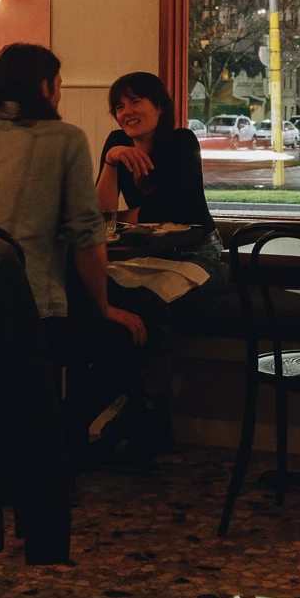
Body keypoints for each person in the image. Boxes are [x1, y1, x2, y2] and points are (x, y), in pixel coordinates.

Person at [0, 43, 150, 462]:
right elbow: (87, 233)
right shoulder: (65, 138)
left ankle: (22, 442)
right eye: (58, 84)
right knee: (123, 338)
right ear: (44, 86)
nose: (60, 93)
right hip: (28, 308)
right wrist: (104, 306)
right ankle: (58, 438)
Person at [95, 73, 226, 454]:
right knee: (102, 293)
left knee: (150, 304)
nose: (126, 112)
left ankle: (154, 413)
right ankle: (134, 404)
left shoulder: (182, 141)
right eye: (119, 106)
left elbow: (174, 210)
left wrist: (125, 216)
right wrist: (110, 161)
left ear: (159, 107)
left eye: (135, 101)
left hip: (199, 255)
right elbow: (101, 214)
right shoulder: (117, 145)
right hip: (147, 258)